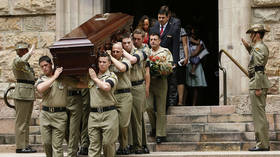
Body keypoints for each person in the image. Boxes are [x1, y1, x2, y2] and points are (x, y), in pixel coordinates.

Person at [36, 56, 87, 157]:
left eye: (46, 65)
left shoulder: (63, 79)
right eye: (42, 67)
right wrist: (54, 77)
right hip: (45, 115)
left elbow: (80, 84)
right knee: (47, 143)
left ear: (51, 64)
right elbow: (40, 88)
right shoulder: (42, 79)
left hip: (59, 116)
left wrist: (94, 81)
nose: (44, 68)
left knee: (57, 146)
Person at [241, 24, 271, 151]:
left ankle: (262, 145)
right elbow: (256, 58)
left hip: (257, 83)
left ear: (257, 34)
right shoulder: (259, 47)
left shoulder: (258, 48)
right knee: (260, 115)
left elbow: (258, 67)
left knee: (259, 116)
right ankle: (263, 143)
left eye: (252, 34)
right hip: (258, 82)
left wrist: (257, 87)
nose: (251, 37)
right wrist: (248, 48)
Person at [123, 29, 150, 154]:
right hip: (126, 88)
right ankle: (129, 144)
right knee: (127, 118)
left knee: (138, 117)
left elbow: (134, 60)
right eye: (134, 39)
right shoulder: (122, 54)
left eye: (138, 39)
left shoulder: (144, 50)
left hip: (138, 86)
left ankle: (140, 144)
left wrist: (147, 88)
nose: (135, 41)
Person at [87, 52, 119, 157]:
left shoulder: (112, 76)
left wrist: (95, 78)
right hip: (94, 115)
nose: (101, 64)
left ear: (109, 63)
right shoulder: (91, 77)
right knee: (93, 146)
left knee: (108, 144)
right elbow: (79, 84)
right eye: (100, 62)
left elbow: (106, 87)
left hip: (109, 114)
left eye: (104, 62)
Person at [149, 5, 181, 108]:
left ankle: (171, 104)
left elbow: (176, 45)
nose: (161, 20)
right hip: (156, 58)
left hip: (169, 58)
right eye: (159, 17)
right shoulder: (154, 27)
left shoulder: (174, 24)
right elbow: (151, 43)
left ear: (168, 17)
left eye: (163, 18)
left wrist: (174, 62)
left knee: (171, 82)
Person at [146, 32, 173, 144]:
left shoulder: (165, 51)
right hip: (148, 82)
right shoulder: (146, 52)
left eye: (155, 39)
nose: (152, 41)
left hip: (161, 82)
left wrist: (161, 68)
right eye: (151, 39)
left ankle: (160, 134)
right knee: (149, 107)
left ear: (159, 41)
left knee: (161, 108)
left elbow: (169, 66)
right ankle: (154, 127)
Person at [12, 42, 37, 153]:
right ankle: (20, 147)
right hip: (22, 94)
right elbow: (21, 61)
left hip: (28, 93)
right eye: (24, 50)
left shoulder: (25, 64)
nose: (26, 51)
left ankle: (25, 145)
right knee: (21, 122)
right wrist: (32, 51)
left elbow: (29, 77)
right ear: (20, 51)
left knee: (26, 122)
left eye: (26, 50)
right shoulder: (17, 61)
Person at [108, 42, 133, 155]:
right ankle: (117, 147)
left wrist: (111, 58)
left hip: (124, 95)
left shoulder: (125, 61)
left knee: (123, 124)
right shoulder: (108, 62)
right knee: (113, 124)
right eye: (113, 51)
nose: (115, 53)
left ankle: (124, 145)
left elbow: (122, 68)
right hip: (112, 95)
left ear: (122, 52)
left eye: (118, 51)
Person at [186, 27, 207, 106]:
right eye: (191, 34)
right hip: (189, 64)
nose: (192, 35)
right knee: (187, 86)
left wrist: (188, 55)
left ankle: (194, 104)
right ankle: (184, 103)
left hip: (197, 66)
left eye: (194, 34)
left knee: (196, 86)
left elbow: (196, 52)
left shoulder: (200, 42)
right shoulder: (187, 41)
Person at [65, 77, 83, 157]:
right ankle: (72, 147)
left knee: (74, 129)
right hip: (62, 97)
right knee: (64, 128)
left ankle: (72, 153)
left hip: (76, 96)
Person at [177, 27, 189, 106]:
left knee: (180, 79)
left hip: (180, 57)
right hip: (169, 57)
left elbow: (185, 44)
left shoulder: (181, 30)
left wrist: (186, 57)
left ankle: (180, 101)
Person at [78, 88, 90, 155]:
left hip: (85, 87)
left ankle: (84, 144)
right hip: (73, 91)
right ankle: (81, 143)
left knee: (85, 118)